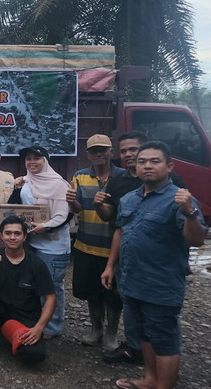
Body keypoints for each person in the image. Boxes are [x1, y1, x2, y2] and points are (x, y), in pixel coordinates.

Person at [101, 141, 207, 389]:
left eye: (154, 161)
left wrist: (189, 212)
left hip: (161, 283)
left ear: (169, 166)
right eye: (142, 162)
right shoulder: (129, 199)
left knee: (164, 338)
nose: (147, 166)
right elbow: (121, 232)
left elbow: (196, 239)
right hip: (131, 280)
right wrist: (110, 266)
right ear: (135, 167)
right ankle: (150, 379)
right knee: (143, 334)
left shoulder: (179, 199)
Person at [95, 131, 186, 364]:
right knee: (131, 309)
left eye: (133, 150)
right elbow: (117, 224)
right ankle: (134, 350)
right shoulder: (121, 184)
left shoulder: (174, 184)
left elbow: (185, 226)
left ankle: (161, 365)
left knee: (159, 322)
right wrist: (110, 265)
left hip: (159, 270)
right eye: (124, 151)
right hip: (128, 266)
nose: (129, 155)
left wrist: (184, 261)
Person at [66, 134, 125, 351]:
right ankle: (96, 329)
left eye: (103, 150)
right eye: (94, 151)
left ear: (111, 152)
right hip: (86, 244)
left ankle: (111, 333)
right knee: (92, 292)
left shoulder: (123, 177)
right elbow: (78, 209)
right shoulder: (80, 176)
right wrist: (72, 202)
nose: (99, 154)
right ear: (88, 155)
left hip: (114, 248)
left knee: (114, 294)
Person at [0, 216, 56, 365]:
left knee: (35, 355)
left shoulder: (36, 264)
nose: (12, 237)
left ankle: (12, 333)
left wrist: (39, 328)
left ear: (25, 237)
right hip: (0, 311)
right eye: (8, 233)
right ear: (1, 235)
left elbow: (51, 298)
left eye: (17, 233)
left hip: (25, 315)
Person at [14, 145, 70, 339]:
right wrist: (16, 190)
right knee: (32, 284)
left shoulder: (59, 184)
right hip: (31, 243)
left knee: (52, 286)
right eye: (28, 159)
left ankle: (52, 327)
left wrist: (45, 226)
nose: (31, 162)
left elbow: (64, 215)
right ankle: (37, 320)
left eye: (36, 158)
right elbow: (17, 208)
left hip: (53, 245)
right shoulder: (25, 181)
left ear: (45, 160)